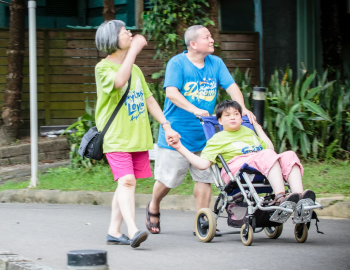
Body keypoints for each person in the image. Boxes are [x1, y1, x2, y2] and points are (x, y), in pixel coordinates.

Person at [147, 25, 256, 234]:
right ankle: (154, 205)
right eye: (207, 37)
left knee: (204, 176)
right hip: (177, 133)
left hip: (206, 134)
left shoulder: (216, 63)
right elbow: (171, 92)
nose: (212, 39)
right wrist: (196, 109)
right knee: (168, 180)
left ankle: (202, 221)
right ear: (193, 44)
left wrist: (241, 111)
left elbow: (232, 87)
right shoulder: (177, 63)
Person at [94, 20, 180, 248]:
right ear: (113, 39)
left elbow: (149, 99)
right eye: (125, 32)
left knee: (126, 183)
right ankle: (132, 230)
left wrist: (166, 125)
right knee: (128, 181)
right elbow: (119, 81)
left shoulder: (136, 69)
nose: (130, 33)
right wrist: (133, 51)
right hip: (116, 137)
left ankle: (114, 231)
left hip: (136, 137)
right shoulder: (103, 67)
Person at [169, 100, 315, 205]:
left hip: (261, 165)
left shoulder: (248, 132)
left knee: (289, 154)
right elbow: (202, 164)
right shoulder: (217, 139)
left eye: (236, 114)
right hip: (237, 171)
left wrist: (256, 126)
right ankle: (280, 197)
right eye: (227, 115)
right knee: (267, 155)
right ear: (219, 121)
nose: (233, 117)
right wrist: (179, 147)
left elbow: (270, 150)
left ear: (241, 117)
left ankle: (301, 199)